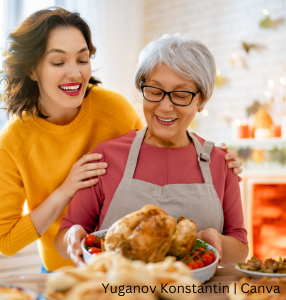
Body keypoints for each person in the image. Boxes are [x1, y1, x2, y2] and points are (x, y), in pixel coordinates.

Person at [0, 8, 241, 273]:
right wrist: (66, 189)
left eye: (82, 59)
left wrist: (216, 162)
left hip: (117, 270)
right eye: (58, 62)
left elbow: (156, 144)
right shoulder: (13, 142)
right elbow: (5, 241)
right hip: (61, 266)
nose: (74, 74)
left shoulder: (113, 110)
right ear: (32, 70)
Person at [55, 34, 248, 267]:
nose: (165, 107)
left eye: (181, 95)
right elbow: (66, 236)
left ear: (202, 99)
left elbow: (240, 248)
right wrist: (72, 235)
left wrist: (216, 241)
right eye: (155, 91)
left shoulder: (220, 162)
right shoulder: (106, 156)